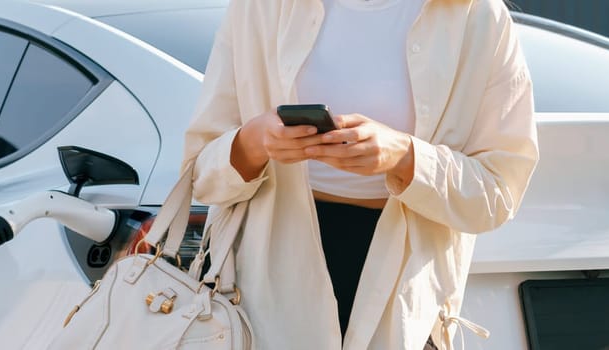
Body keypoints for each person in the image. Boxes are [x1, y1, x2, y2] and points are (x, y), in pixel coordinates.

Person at [183, 0, 538, 348]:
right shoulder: (259, 8)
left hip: (401, 286)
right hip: (262, 277)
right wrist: (255, 141)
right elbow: (201, 176)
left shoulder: (477, 15)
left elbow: (497, 193)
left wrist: (405, 156)